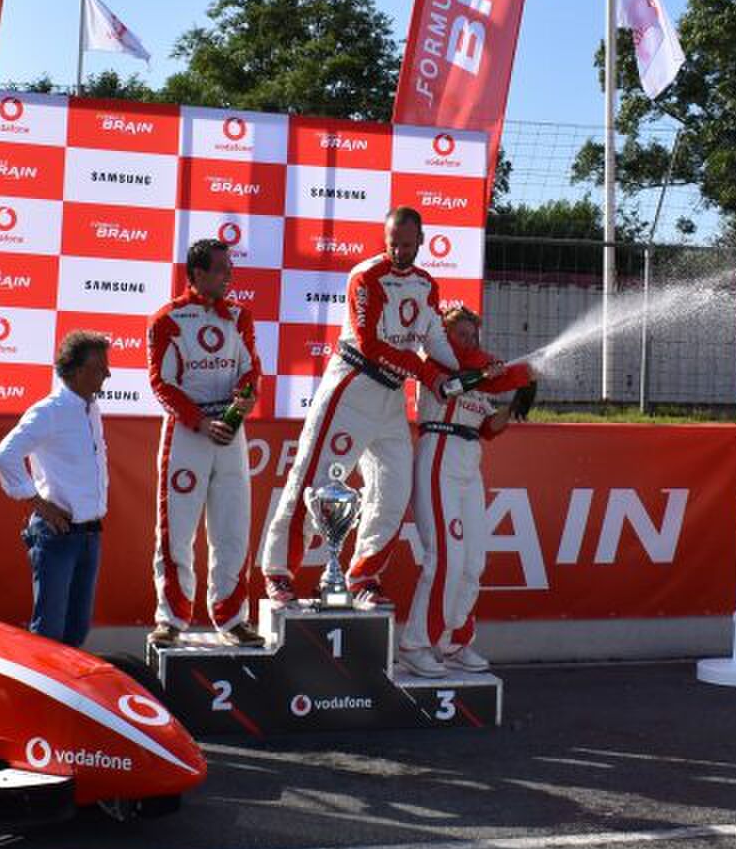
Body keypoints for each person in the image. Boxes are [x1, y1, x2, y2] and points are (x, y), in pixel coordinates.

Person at [257, 206, 496, 609]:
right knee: (314, 481)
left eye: (407, 244)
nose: (400, 251)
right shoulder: (365, 276)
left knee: (394, 490)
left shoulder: (425, 284)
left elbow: (435, 337)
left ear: (422, 241)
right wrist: (429, 375)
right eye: (393, 243)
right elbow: (370, 344)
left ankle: (362, 575)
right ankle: (279, 573)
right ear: (384, 240)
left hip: (389, 399)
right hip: (352, 386)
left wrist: (478, 367)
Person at [396, 303, 534, 678]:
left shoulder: (481, 375)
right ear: (444, 336)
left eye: (474, 335)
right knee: (446, 557)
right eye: (462, 334)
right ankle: (415, 645)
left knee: (474, 562)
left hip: (469, 460)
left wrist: (515, 401)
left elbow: (489, 428)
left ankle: (454, 642)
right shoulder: (439, 364)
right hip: (439, 453)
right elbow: (453, 388)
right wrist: (496, 374)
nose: (470, 341)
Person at [146, 237, 264, 648]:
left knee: (233, 527)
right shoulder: (167, 319)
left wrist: (247, 396)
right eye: (220, 269)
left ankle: (232, 618)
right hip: (188, 433)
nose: (229, 276)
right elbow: (161, 382)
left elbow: (251, 369)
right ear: (196, 273)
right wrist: (198, 421)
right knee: (176, 528)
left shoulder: (239, 316)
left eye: (230, 268)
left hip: (230, 431)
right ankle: (172, 617)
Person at [0, 331, 113, 648]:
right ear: (74, 371)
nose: (107, 374)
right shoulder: (50, 410)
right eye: (99, 367)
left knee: (75, 633)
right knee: (49, 635)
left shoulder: (91, 409)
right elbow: (4, 455)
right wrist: (39, 504)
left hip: (89, 535)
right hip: (57, 536)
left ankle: (63, 698)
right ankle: (36, 698)